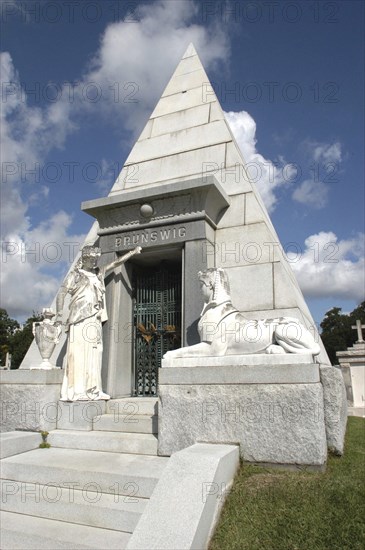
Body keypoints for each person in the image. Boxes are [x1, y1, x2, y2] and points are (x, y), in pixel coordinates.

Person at [56, 245, 141, 401]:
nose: (95, 262)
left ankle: (94, 389)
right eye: (92, 259)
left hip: (94, 317)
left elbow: (114, 264)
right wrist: (59, 315)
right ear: (85, 258)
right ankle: (78, 389)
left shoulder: (97, 272)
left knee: (96, 352)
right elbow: (62, 293)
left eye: (96, 259)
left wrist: (132, 253)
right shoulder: (75, 275)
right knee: (79, 352)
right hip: (79, 318)